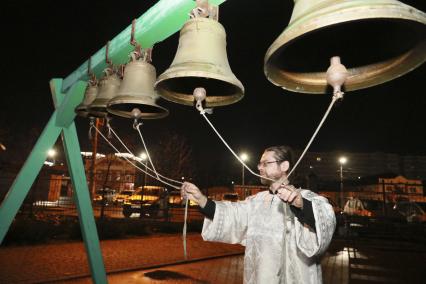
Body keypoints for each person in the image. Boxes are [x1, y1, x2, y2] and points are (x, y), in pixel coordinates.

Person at [181, 145, 336, 284]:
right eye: (259, 163)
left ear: (284, 166)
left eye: (265, 163)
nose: (260, 168)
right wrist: (201, 200)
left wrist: (300, 204)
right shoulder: (255, 201)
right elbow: (229, 214)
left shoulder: (306, 197)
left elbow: (325, 220)